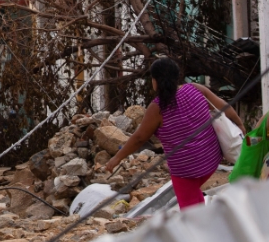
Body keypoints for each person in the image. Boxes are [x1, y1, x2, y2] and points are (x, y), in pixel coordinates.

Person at [103, 57, 245, 210]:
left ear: (155, 81)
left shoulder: (157, 108)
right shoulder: (196, 89)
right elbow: (224, 106)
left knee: (191, 213)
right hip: (211, 160)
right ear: (177, 76)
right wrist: (240, 124)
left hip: (186, 171)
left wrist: (117, 158)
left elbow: (139, 138)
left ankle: (203, 223)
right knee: (195, 198)